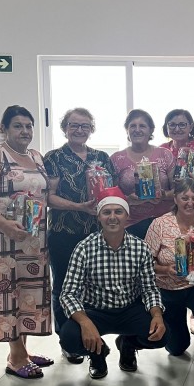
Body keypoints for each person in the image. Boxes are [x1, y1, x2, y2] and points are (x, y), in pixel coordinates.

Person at [0, 105, 52, 379]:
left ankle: (23, 351)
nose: (24, 131)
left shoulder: (36, 157)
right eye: (17, 126)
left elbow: (44, 197)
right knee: (8, 294)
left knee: (28, 295)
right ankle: (16, 357)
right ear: (4, 128)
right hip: (4, 243)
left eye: (28, 126)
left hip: (34, 242)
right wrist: (5, 225)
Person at [59, 188, 167, 379]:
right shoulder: (84, 248)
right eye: (106, 212)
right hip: (95, 311)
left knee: (162, 335)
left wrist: (157, 315)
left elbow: (149, 289)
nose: (112, 217)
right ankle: (97, 353)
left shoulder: (140, 247)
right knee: (69, 339)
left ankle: (128, 345)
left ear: (127, 216)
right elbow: (68, 293)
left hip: (129, 309)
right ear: (99, 217)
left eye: (118, 211)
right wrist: (85, 322)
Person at [44, 108, 116, 358]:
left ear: (91, 129)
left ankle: (89, 334)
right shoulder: (54, 157)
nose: (79, 130)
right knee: (64, 286)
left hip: (96, 234)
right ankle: (68, 342)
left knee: (92, 285)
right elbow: (49, 197)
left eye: (85, 126)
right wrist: (79, 207)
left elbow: (111, 190)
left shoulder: (101, 157)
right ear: (65, 128)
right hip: (64, 232)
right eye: (74, 125)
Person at [145, 176, 194, 362]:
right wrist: (165, 269)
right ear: (175, 199)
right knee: (177, 348)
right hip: (168, 288)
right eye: (185, 197)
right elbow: (145, 263)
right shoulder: (160, 224)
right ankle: (177, 334)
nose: (190, 203)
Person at [111, 109, 174, 240]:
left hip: (165, 224)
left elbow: (179, 191)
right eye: (132, 126)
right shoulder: (116, 158)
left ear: (151, 130)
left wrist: (163, 195)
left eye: (142, 126)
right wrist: (128, 199)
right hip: (130, 224)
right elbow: (112, 196)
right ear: (127, 130)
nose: (137, 130)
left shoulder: (165, 154)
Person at [159, 108, 194, 182]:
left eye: (182, 125)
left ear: (191, 127)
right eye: (172, 125)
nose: (177, 129)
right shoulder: (162, 149)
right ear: (166, 128)